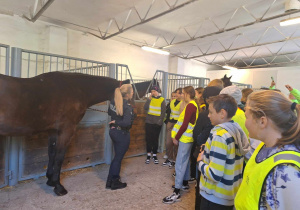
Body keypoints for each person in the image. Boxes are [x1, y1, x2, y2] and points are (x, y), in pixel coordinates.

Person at [235, 90, 300, 209]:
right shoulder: (264, 146)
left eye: (246, 117)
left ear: (262, 121)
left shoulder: (286, 170)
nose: (245, 122)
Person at [198, 94, 250, 210]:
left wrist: (200, 163)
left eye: (211, 112)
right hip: (228, 194)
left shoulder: (219, 136)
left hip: (214, 197)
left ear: (222, 113)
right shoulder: (235, 130)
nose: (208, 115)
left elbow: (215, 174)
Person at [162, 86, 199, 204]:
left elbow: (184, 124)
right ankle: (185, 183)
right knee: (186, 161)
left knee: (180, 162)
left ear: (187, 94)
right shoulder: (192, 105)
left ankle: (176, 192)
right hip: (187, 138)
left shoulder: (191, 106)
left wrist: (176, 137)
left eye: (182, 93)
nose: (181, 96)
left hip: (184, 138)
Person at [193, 86, 222, 210]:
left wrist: (199, 161)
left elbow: (198, 137)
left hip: (204, 159)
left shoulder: (206, 115)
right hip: (223, 193)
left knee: (201, 190)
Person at [106, 84, 135, 190]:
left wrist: (115, 119)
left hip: (113, 132)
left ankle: (109, 181)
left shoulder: (114, 101)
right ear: (127, 94)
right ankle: (114, 181)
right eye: (132, 92)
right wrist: (117, 121)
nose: (133, 93)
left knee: (116, 157)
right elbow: (127, 123)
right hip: (121, 134)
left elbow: (110, 112)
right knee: (118, 158)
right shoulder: (127, 106)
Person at [144, 85, 166, 164]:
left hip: (157, 123)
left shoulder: (162, 100)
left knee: (155, 139)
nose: (153, 92)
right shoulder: (150, 99)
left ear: (157, 91)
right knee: (148, 139)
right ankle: (148, 155)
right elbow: (145, 107)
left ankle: (155, 155)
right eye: (151, 91)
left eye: (154, 91)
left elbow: (163, 112)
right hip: (149, 122)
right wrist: (149, 99)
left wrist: (159, 122)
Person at [163, 88, 182, 168]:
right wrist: (167, 122)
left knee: (176, 144)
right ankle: (170, 159)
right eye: (176, 93)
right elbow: (169, 112)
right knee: (168, 143)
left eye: (178, 93)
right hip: (170, 123)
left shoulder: (183, 103)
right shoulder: (172, 102)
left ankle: (175, 160)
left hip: (178, 124)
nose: (176, 95)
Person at [163, 91, 177, 160]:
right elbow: (166, 111)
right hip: (169, 122)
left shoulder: (180, 104)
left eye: (175, 96)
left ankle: (174, 158)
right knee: (168, 142)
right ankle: (169, 155)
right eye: (172, 96)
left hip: (177, 124)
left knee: (175, 142)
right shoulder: (170, 104)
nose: (173, 97)